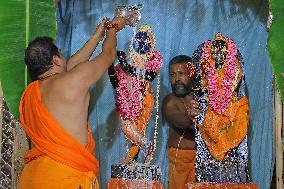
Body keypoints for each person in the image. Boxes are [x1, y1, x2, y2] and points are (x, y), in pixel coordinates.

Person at [18, 16, 126, 189]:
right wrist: (113, 28)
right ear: (55, 60)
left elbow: (69, 66)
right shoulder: (71, 81)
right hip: (64, 179)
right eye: (61, 54)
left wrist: (96, 36)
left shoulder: (29, 94)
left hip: (32, 179)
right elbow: (109, 54)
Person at [162, 55, 202, 189]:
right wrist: (194, 117)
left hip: (204, 161)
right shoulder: (170, 101)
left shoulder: (204, 97)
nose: (177, 79)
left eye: (181, 74)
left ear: (192, 74)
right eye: (172, 75)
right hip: (180, 162)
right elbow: (184, 123)